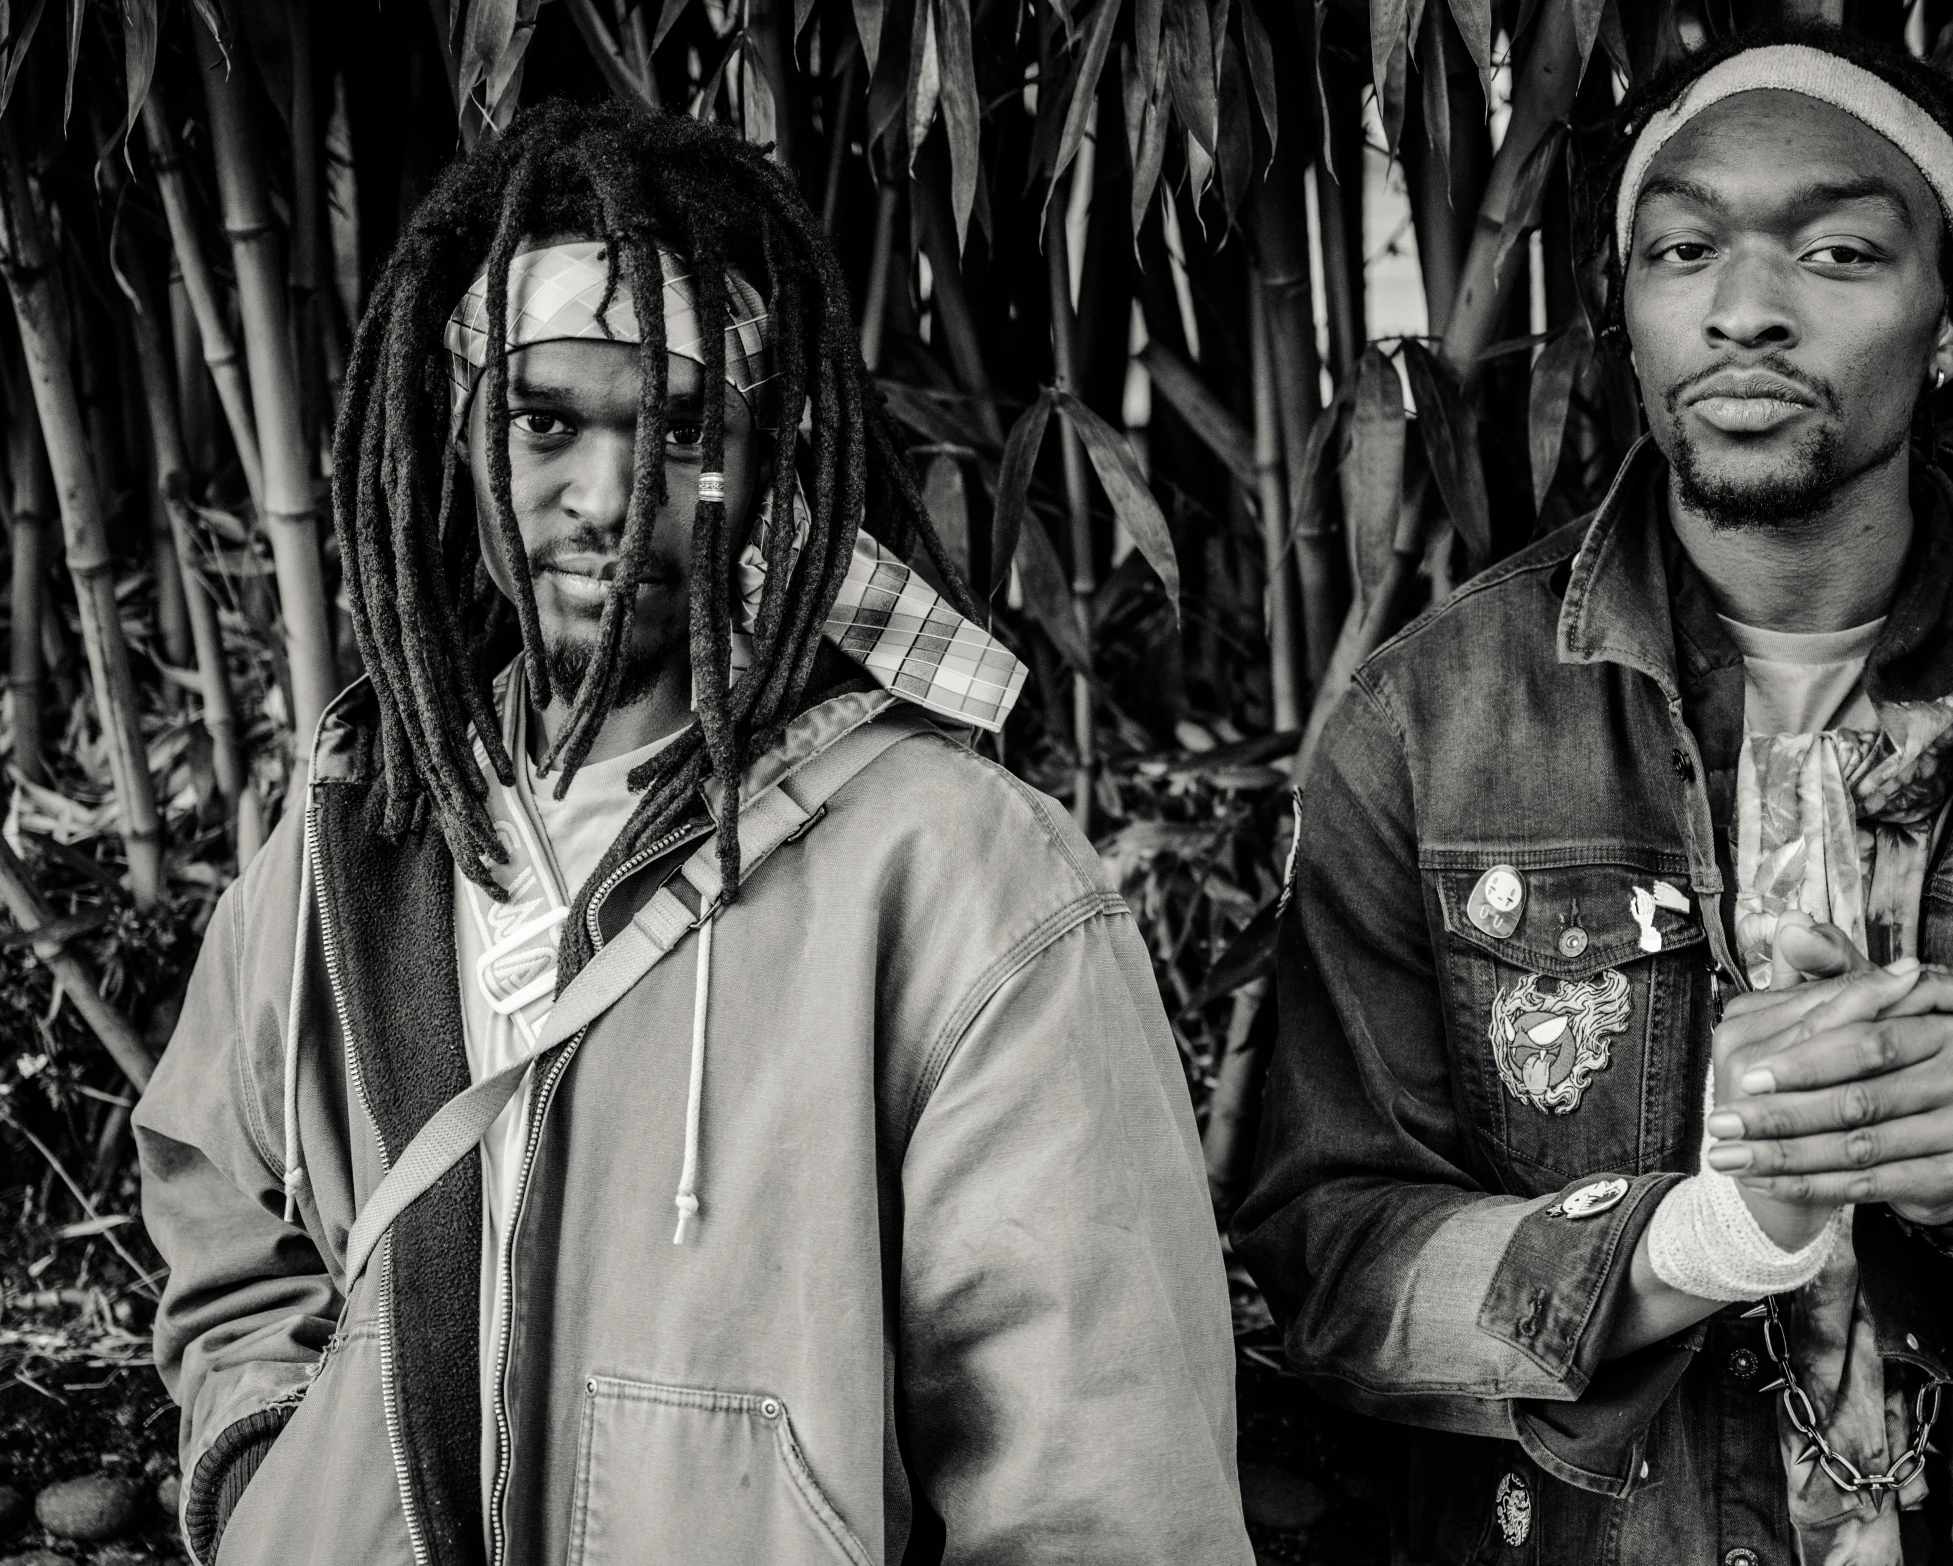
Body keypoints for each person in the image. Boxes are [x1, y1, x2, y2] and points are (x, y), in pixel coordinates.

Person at [134, 99, 1249, 1566]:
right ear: (454, 434)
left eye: (678, 428)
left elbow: (1099, 1479)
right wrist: (281, 1476)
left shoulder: (958, 874)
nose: (608, 499)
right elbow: (218, 1197)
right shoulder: (359, 828)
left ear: (765, 457)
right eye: (544, 421)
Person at [1234, 25, 1953, 1566]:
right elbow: (1325, 1266)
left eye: (1841, 250)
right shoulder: (1429, 723)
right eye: (1684, 250)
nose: (1745, 310)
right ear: (1629, 313)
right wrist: (1700, 1239)